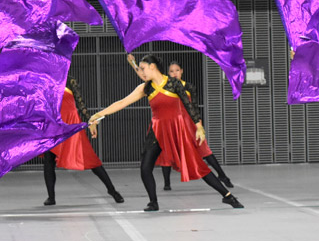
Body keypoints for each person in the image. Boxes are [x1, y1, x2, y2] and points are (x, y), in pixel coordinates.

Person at [89, 55, 242, 211]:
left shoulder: (174, 83)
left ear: (153, 67)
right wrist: (97, 115)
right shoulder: (146, 88)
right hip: (156, 131)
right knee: (145, 167)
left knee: (198, 166)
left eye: (143, 68)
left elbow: (190, 107)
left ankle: (228, 196)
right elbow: (121, 103)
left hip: (176, 130)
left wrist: (199, 126)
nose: (141, 73)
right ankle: (153, 202)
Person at [126, 55, 233, 189]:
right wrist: (134, 64)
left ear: (181, 71)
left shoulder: (187, 86)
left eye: (177, 70)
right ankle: (167, 183)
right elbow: (145, 76)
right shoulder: (164, 83)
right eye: (171, 71)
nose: (174, 73)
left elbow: (192, 106)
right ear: (168, 73)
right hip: (173, 123)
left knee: (204, 151)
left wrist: (199, 125)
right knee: (165, 154)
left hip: (189, 123)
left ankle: (222, 175)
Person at [41, 78, 124, 207]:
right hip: (54, 124)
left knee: (90, 158)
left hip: (71, 123)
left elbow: (80, 104)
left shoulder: (70, 80)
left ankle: (111, 190)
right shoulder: (44, 82)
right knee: (48, 159)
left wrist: (90, 121)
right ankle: (51, 197)